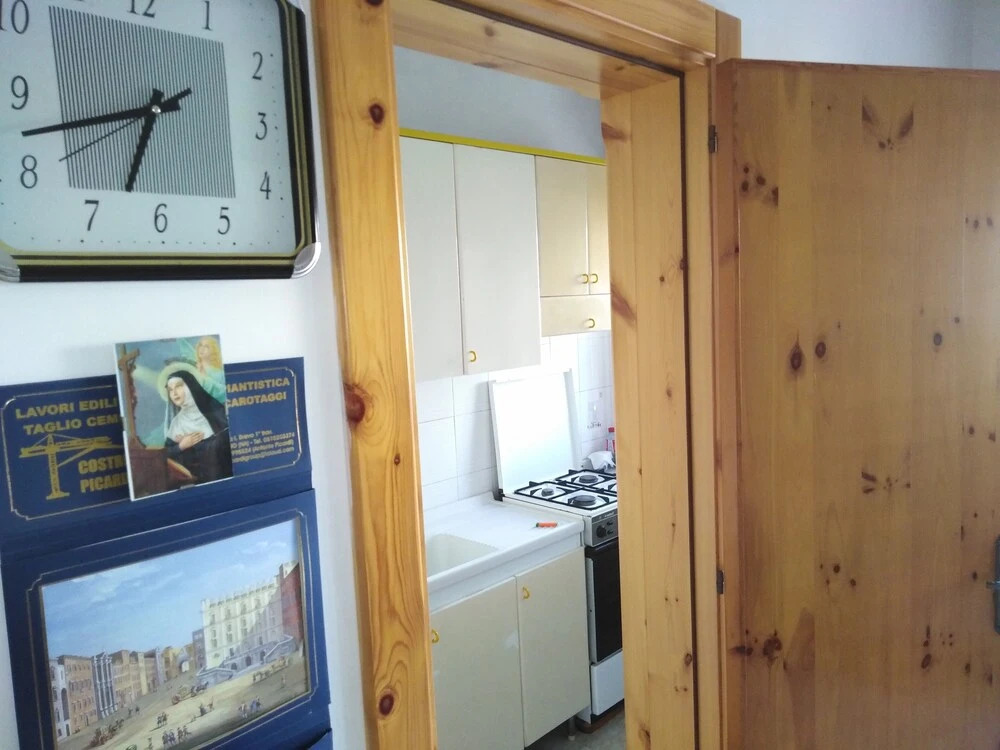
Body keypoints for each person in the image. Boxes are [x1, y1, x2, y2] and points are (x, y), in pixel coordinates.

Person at [162, 366, 233, 483]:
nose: (174, 393)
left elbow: (229, 443)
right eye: (170, 389)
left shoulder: (215, 411)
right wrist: (181, 446)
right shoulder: (177, 423)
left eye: (178, 386)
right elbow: (165, 455)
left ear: (191, 386)